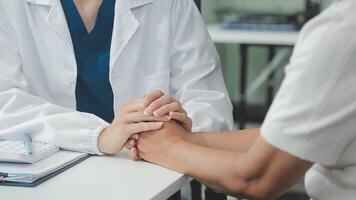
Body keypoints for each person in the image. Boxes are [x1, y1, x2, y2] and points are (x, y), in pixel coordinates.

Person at [133, 0, 356, 199]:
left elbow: (256, 179)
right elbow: (284, 137)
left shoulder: (342, 32)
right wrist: (184, 138)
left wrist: (165, 146)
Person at [0, 0, 233, 155]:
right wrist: (99, 136)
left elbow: (209, 101)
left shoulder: (170, 4)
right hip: (49, 177)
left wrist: (178, 135)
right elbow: (5, 104)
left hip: (153, 173)